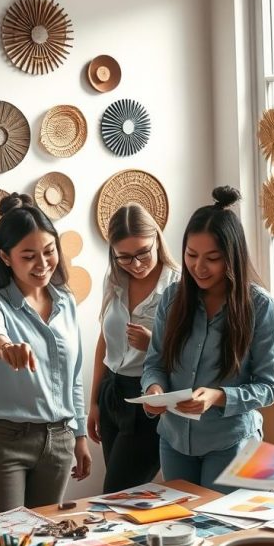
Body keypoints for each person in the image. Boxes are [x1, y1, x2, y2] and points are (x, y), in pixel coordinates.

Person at [142, 186, 274, 489]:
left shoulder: (260, 306)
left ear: (232, 257)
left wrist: (219, 397)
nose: (199, 267)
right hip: (174, 440)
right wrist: (153, 390)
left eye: (212, 258)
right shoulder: (172, 298)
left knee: (220, 531)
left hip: (231, 442)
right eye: (191, 255)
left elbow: (269, 387)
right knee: (180, 528)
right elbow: (155, 363)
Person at [0, 193, 91, 515]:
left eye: (49, 251)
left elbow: (73, 376)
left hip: (60, 439)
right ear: (6, 258)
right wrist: (5, 347)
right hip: (7, 439)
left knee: (45, 540)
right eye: (29, 256)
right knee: (8, 541)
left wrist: (79, 436)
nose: (43, 264)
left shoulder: (65, 301)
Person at [87, 204, 180, 491]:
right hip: (111, 393)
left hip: (148, 398)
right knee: (117, 495)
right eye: (124, 257)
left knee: (116, 493)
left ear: (157, 240)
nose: (136, 264)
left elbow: (191, 352)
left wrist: (152, 341)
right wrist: (93, 402)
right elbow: (104, 341)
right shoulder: (114, 279)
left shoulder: (178, 286)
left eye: (143, 253)